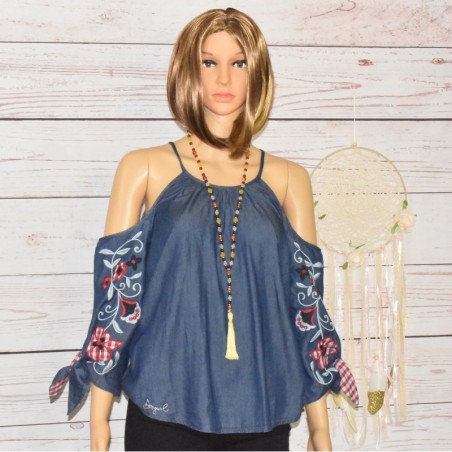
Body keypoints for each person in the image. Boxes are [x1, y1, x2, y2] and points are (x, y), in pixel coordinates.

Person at [50, 7, 358, 451]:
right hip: (164, 408)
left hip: (263, 408)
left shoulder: (289, 179)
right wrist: (100, 421)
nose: (223, 78)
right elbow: (116, 300)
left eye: (239, 63)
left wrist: (319, 428)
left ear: (258, 73)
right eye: (209, 62)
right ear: (187, 71)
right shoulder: (145, 167)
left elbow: (306, 307)